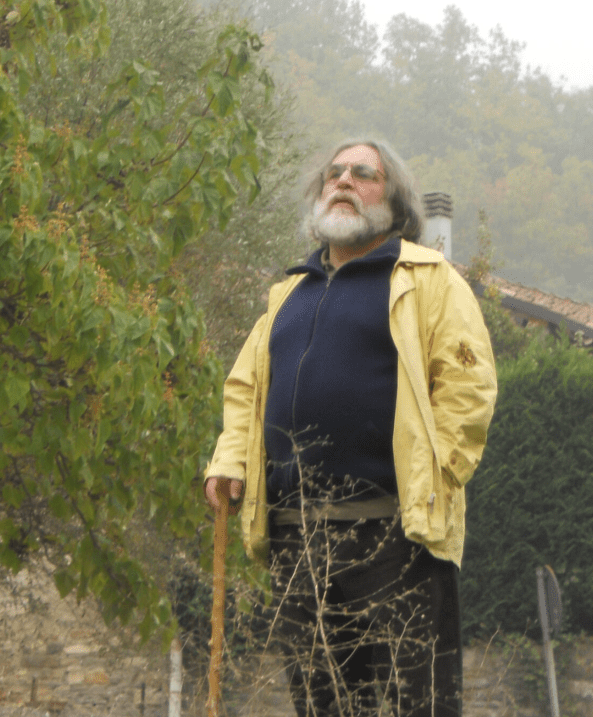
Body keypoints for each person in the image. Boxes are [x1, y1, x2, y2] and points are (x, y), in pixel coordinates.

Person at [203, 139, 497, 717]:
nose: (342, 181)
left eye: (363, 173)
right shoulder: (288, 294)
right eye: (333, 173)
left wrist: (438, 477)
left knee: (422, 705)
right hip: (298, 537)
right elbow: (245, 390)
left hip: (396, 532)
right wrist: (229, 462)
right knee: (324, 706)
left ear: (393, 199)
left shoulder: (427, 279)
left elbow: (468, 385)